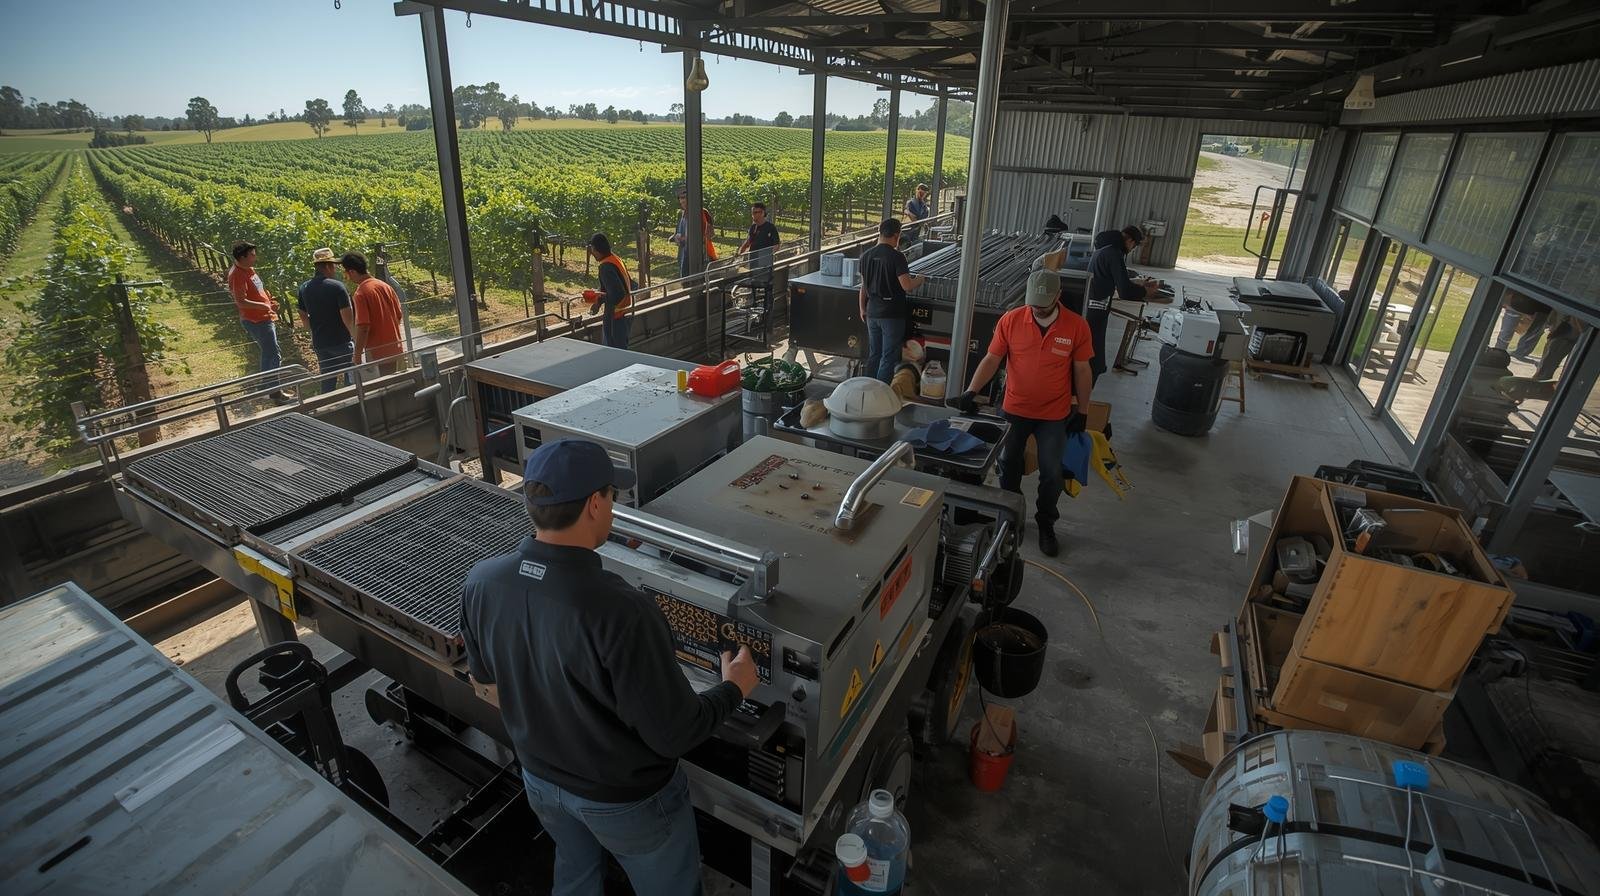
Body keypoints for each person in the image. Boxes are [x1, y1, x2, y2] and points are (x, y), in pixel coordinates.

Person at [460, 439, 760, 896]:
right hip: (626, 803)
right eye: (613, 497)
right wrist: (735, 687)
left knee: (576, 872)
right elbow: (676, 733)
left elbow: (488, 684)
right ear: (596, 504)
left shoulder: (482, 580)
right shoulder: (621, 609)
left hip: (540, 780)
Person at [954, 269, 1094, 558]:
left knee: (1052, 472)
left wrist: (1082, 409)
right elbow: (993, 358)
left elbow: (1082, 369)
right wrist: (971, 391)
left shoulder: (1076, 326)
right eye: (1034, 302)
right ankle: (1010, 518)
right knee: (1008, 465)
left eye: (1045, 302)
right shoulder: (1012, 319)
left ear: (1058, 296)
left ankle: (1045, 523)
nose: (1038, 307)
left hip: (1054, 414)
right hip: (1014, 409)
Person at [1082, 225, 1161, 382]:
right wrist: (1146, 292)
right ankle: (1082, 395)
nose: (1132, 249)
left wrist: (1134, 282)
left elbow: (1112, 279)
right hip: (1097, 310)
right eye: (1134, 245)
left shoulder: (1104, 249)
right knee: (1093, 359)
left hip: (1090, 307)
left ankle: (1082, 390)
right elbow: (1124, 291)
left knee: (1089, 353)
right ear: (1130, 240)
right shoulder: (1114, 254)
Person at [859, 218, 926, 384]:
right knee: (888, 356)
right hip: (892, 314)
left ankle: (866, 389)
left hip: (872, 312)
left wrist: (862, 308)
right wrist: (919, 279)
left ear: (880, 232)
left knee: (874, 353)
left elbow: (863, 287)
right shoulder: (897, 257)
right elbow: (907, 285)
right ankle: (880, 393)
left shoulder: (865, 256)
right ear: (897, 235)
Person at [227, 241, 294, 403]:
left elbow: (258, 290)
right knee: (273, 355)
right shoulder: (237, 274)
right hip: (256, 320)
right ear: (242, 257)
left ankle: (270, 388)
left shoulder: (248, 269)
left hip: (263, 317)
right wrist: (264, 305)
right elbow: (240, 301)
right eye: (252, 254)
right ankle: (272, 390)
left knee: (269, 354)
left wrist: (270, 302)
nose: (255, 257)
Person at [297, 247, 355, 394]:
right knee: (351, 376)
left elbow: (302, 313)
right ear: (328, 266)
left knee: (328, 379)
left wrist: (312, 331)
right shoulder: (337, 287)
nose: (335, 269)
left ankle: (326, 406)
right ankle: (352, 403)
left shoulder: (304, 288)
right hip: (341, 341)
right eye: (334, 266)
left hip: (321, 343)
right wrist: (356, 337)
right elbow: (347, 317)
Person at [341, 251, 404, 377]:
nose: (346, 277)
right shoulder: (385, 286)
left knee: (382, 390)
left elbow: (363, 327)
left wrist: (357, 354)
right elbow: (398, 316)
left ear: (352, 272)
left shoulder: (361, 293)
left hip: (377, 353)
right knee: (395, 385)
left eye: (345, 273)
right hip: (395, 348)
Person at [586, 233, 634, 350]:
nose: (592, 254)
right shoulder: (615, 259)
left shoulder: (606, 266)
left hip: (615, 318)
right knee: (621, 350)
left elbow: (617, 294)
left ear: (595, 249)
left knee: (614, 353)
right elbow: (631, 284)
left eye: (592, 250)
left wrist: (599, 300)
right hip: (626, 313)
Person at [668, 188, 716, 279]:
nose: (683, 203)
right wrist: (675, 237)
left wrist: (683, 238)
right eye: (681, 201)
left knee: (699, 279)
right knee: (685, 278)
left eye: (685, 200)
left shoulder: (702, 212)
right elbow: (679, 231)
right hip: (685, 252)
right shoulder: (682, 214)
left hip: (700, 253)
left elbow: (710, 234)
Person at [1493, 291, 1549, 360]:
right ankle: (1501, 350)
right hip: (1518, 302)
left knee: (1537, 325)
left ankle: (1505, 350)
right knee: (1508, 329)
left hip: (1526, 303)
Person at [738, 202, 780, 283]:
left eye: (755, 212)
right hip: (753, 259)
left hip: (764, 262)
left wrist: (766, 256)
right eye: (752, 213)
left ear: (762, 213)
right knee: (754, 281)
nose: (753, 215)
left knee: (764, 282)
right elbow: (749, 240)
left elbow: (776, 245)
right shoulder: (753, 227)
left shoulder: (770, 227)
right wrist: (741, 250)